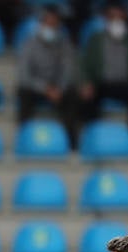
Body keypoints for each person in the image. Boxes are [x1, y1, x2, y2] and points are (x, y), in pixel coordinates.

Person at [79, 1, 128, 152]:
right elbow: (85, 64)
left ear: (125, 17)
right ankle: (92, 139)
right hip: (101, 84)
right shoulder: (96, 39)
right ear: (106, 18)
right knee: (87, 99)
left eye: (120, 16)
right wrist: (86, 82)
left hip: (126, 84)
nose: (116, 20)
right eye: (112, 16)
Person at [16, 4, 80, 148]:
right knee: (23, 92)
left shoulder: (65, 44)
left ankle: (72, 144)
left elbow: (68, 70)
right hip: (36, 87)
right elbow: (24, 75)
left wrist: (59, 89)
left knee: (72, 94)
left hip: (58, 89)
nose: (50, 26)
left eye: (54, 23)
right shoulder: (29, 44)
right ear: (41, 23)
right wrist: (45, 89)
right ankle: (23, 140)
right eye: (47, 22)